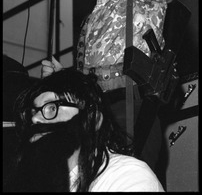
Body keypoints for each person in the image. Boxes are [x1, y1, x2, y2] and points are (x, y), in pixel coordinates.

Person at [41, 0, 174, 173]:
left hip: (129, 111)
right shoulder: (98, 11)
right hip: (94, 117)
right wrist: (65, 78)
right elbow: (96, 77)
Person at [4, 68, 165, 192]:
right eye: (32, 113)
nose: (34, 119)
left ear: (92, 120)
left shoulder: (128, 176)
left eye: (51, 108)